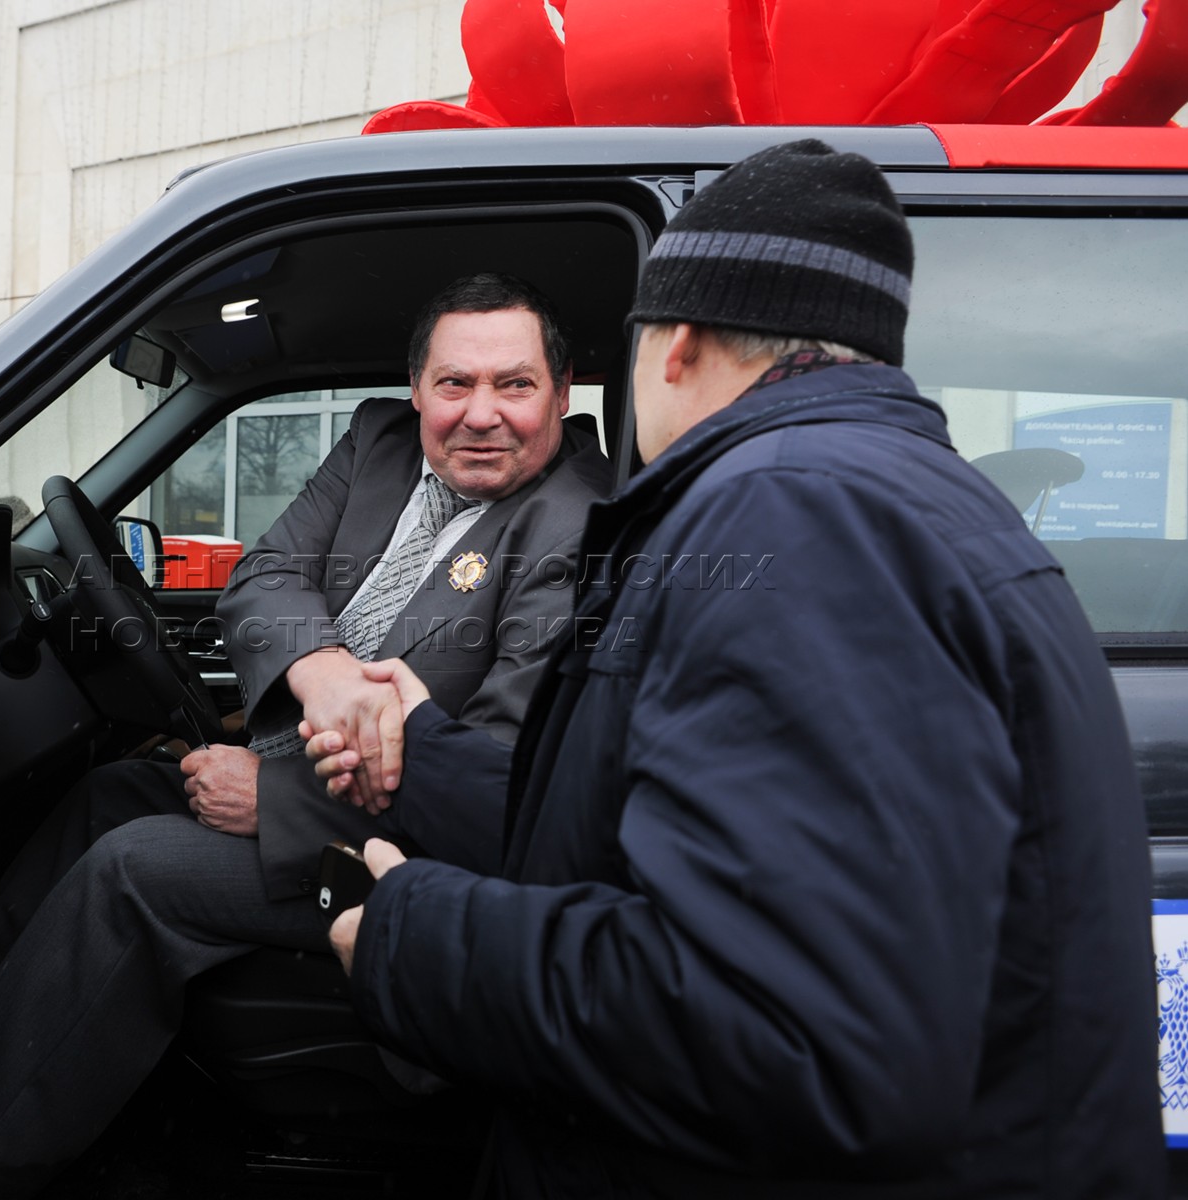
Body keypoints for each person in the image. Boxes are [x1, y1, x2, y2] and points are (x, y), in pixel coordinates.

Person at [314, 141, 1163, 1197]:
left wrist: (415, 940)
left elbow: (784, 1029)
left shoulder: (802, 518)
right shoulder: (894, 499)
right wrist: (428, 750)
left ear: (674, 346)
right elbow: (661, 835)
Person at [0, 272, 616, 1185]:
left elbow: (498, 787)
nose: (481, 414)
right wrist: (325, 672)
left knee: (134, 868)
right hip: (315, 770)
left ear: (562, 392)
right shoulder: (379, 442)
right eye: (455, 384)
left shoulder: (575, 525)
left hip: (409, 863)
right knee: (108, 794)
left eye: (515, 384)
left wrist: (276, 798)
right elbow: (263, 578)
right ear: (418, 388)